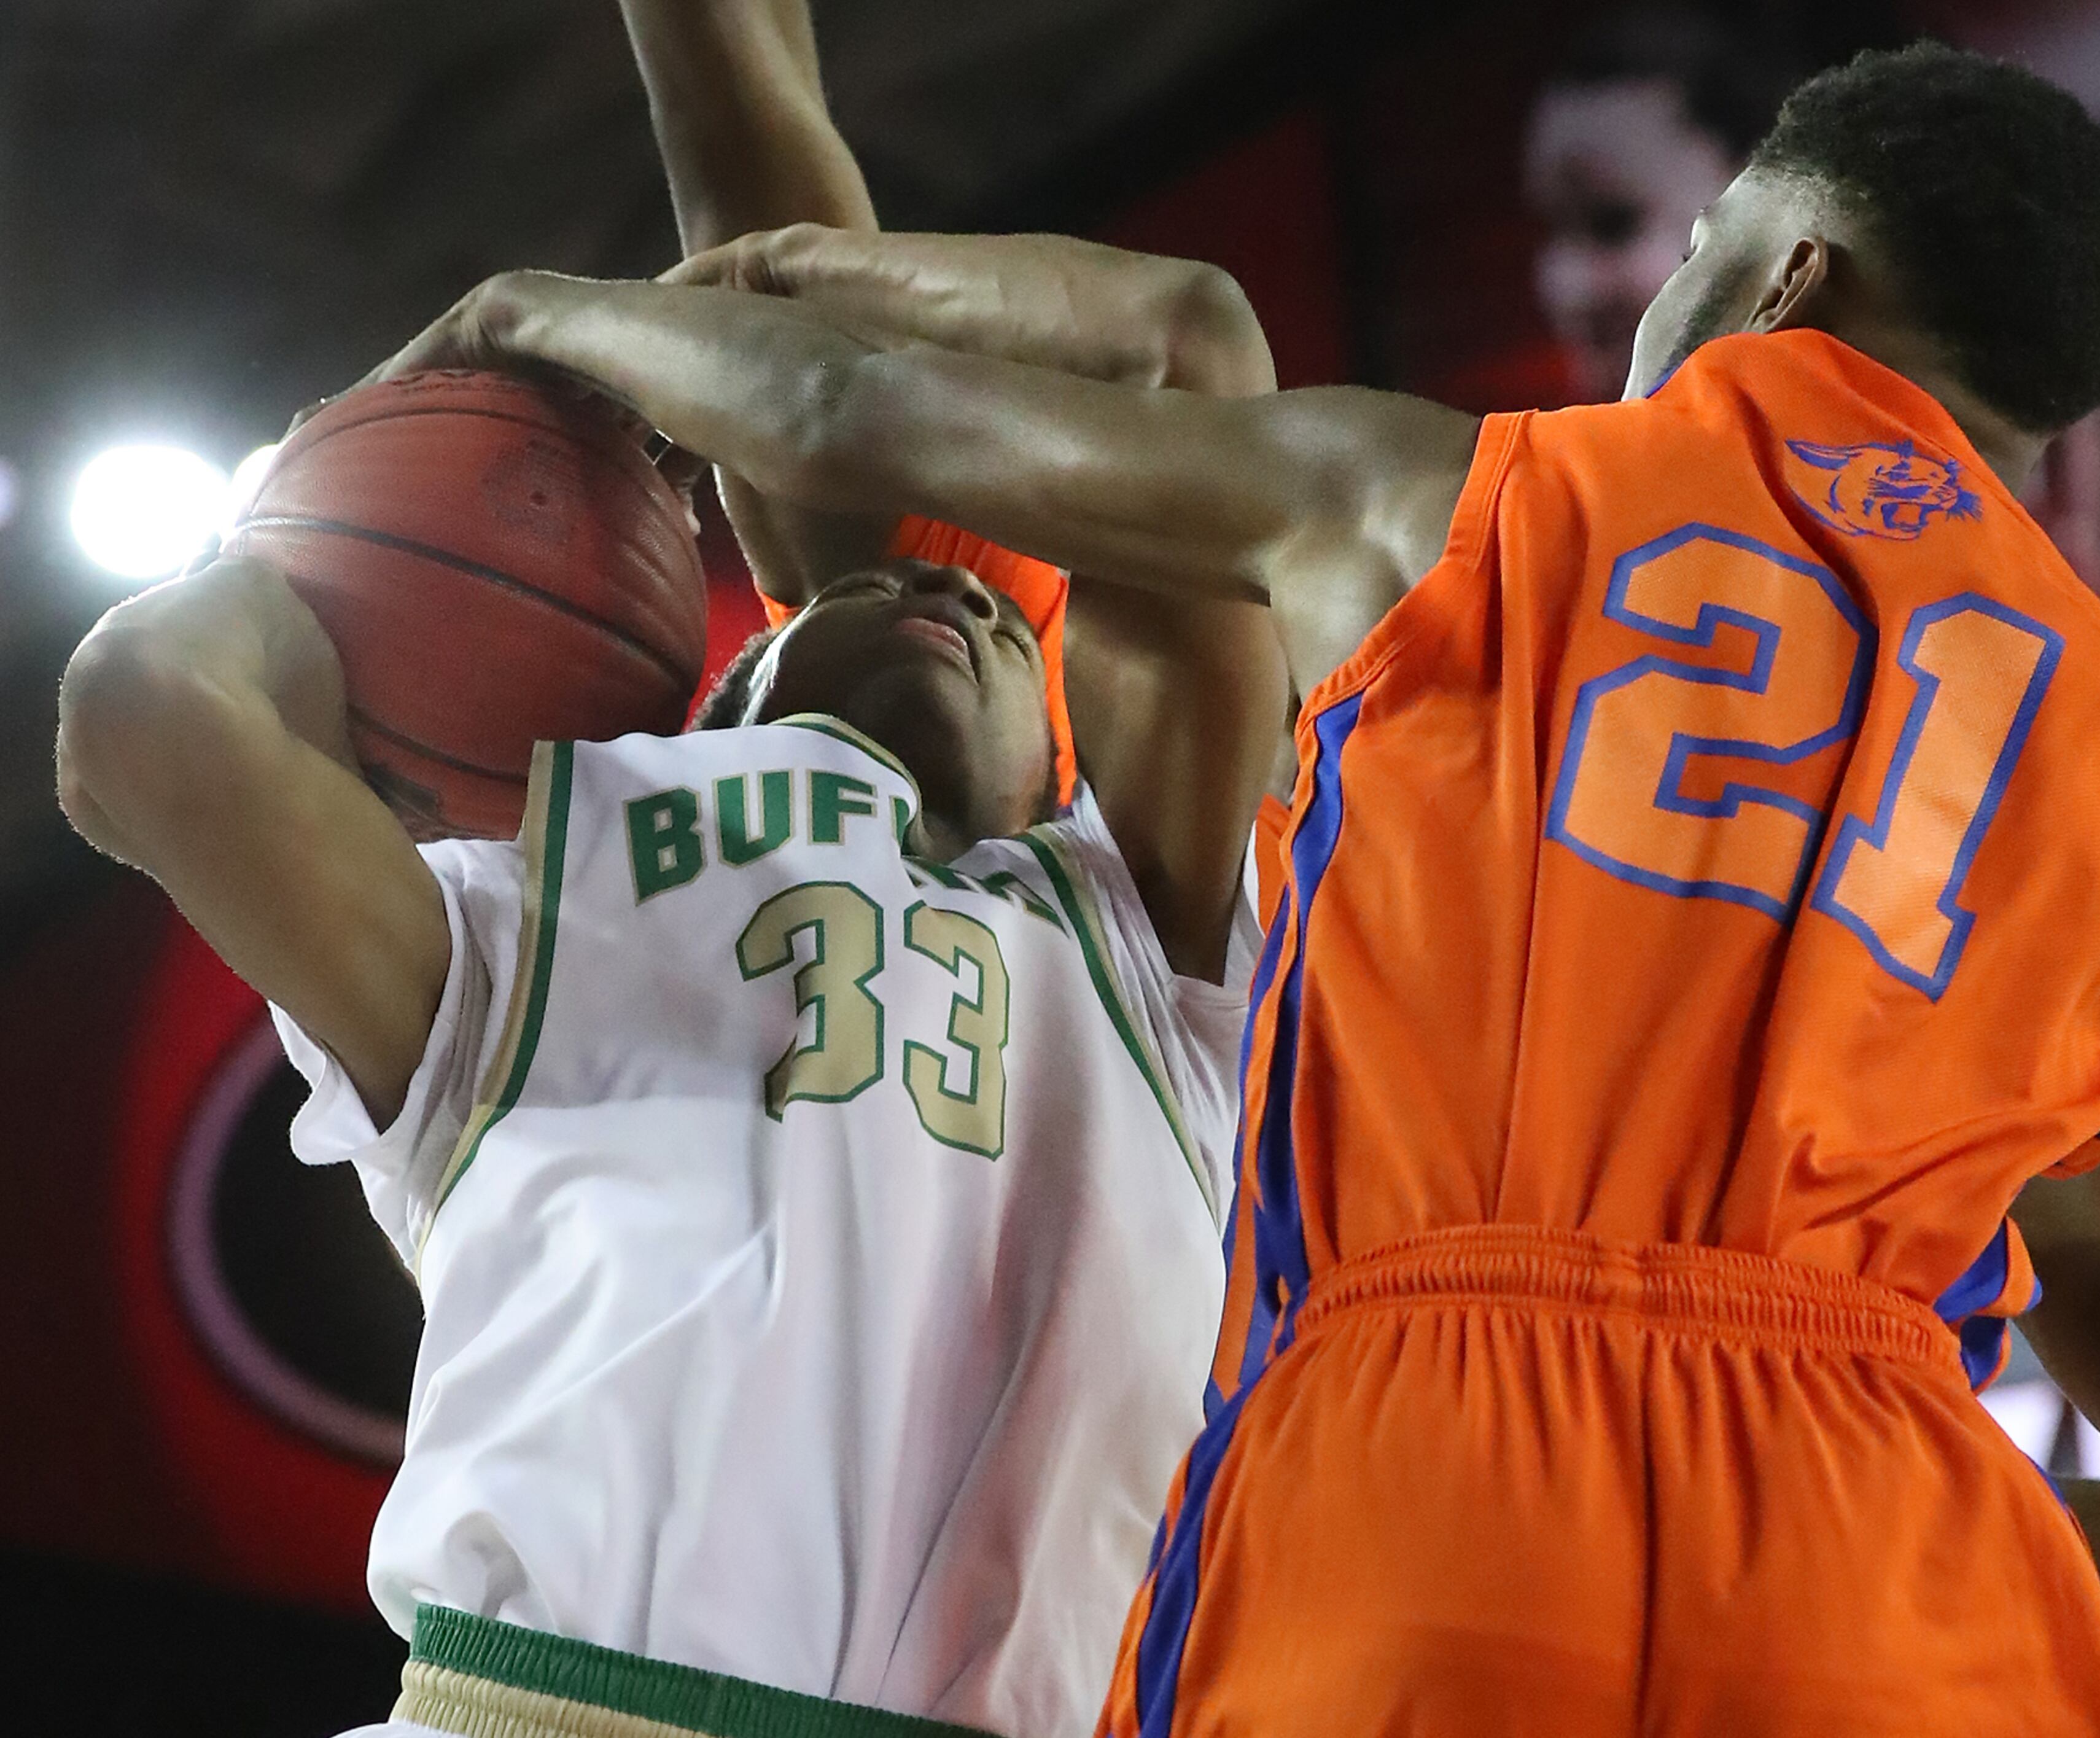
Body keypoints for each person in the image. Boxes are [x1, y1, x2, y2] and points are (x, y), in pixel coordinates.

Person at [368, 39, 2100, 1732]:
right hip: (1900, 1559)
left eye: (1699, 248)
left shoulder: (1443, 496)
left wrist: (542, 312)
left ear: (1785, 271)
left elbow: (842, 420)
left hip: (1432, 1488)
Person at [53, 236, 1286, 1738]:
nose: (943, 597)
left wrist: (693, 299)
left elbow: (1186, 341)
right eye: (859, 593)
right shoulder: (529, 909)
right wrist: (323, 502)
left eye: (1005, 625)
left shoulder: (1155, 950)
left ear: (1064, 763)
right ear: (723, 701)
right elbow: (141, 720)